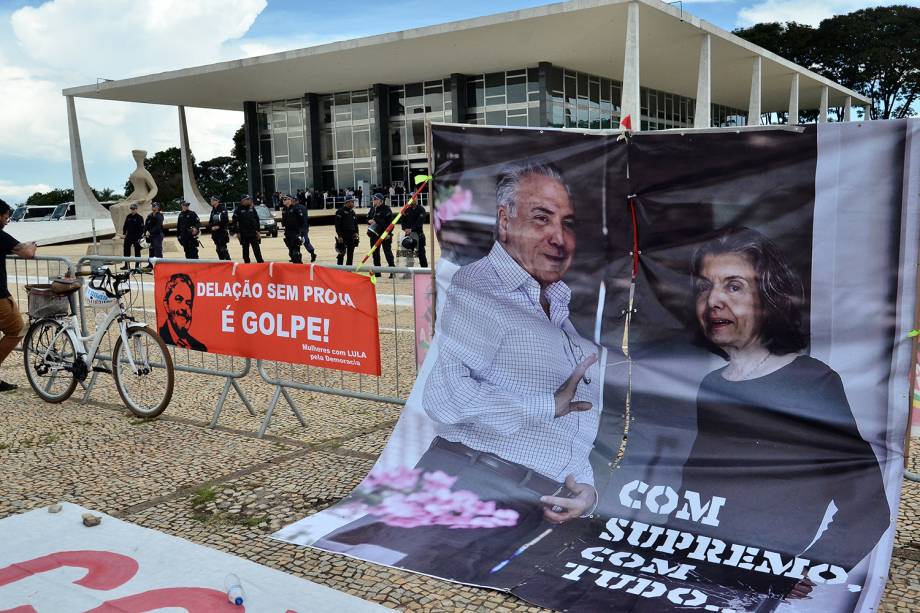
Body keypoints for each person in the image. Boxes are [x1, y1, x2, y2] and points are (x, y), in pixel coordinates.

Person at [323, 160, 601, 585]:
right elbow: (446, 397)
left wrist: (585, 485)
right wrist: (546, 405)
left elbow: (572, 415)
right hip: (468, 485)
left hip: (531, 502)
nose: (558, 239)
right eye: (541, 218)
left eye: (567, 223)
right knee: (393, 589)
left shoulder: (557, 304)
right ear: (504, 221)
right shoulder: (482, 288)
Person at [680, 226, 890, 606]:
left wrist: (811, 566)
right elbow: (699, 489)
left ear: (768, 298)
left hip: (752, 593)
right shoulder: (713, 385)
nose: (713, 301)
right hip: (694, 577)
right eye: (704, 287)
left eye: (734, 286)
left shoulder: (812, 383)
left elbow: (867, 504)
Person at [0, 199, 37, 391]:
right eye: (6, 217)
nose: (7, 221)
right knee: (16, 330)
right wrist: (33, 244)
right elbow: (27, 252)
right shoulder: (1, 236)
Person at [160, 272, 207, 351]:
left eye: (188, 303)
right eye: (179, 299)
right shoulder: (159, 339)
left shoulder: (199, 346)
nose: (184, 307)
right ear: (166, 303)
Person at [367, 193, 395, 277]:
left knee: (388, 253)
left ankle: (392, 271)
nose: (374, 201)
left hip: (385, 234)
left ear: (381, 201)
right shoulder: (372, 209)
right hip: (374, 234)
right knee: (375, 253)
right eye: (373, 199)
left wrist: (376, 221)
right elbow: (368, 217)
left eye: (375, 199)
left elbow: (389, 223)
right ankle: (377, 272)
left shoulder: (386, 209)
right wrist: (369, 221)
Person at [233, 195, 263, 264]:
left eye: (249, 199)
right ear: (243, 201)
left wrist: (258, 231)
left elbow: (257, 219)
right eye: (248, 199)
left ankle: (261, 264)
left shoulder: (252, 208)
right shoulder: (238, 209)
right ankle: (247, 265)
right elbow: (234, 222)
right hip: (244, 234)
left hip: (253, 233)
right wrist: (237, 233)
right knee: (245, 251)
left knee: (257, 250)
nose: (250, 201)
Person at [400, 196, 428, 267]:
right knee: (409, 255)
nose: (412, 200)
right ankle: (409, 272)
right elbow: (403, 221)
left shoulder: (421, 209)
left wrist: (411, 229)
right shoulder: (406, 210)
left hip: (418, 235)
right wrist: (405, 228)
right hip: (408, 235)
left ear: (417, 199)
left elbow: (420, 222)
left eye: (413, 198)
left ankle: (424, 271)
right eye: (410, 198)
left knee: (421, 254)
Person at [334, 195, 359, 266]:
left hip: (351, 236)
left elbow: (356, 224)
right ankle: (340, 269)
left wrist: (357, 233)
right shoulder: (340, 211)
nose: (353, 203)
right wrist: (339, 236)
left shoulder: (353, 212)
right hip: (343, 236)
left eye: (353, 202)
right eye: (352, 202)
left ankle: (349, 270)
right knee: (341, 253)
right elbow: (337, 225)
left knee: (350, 254)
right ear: (347, 202)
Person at [281, 194, 305, 264]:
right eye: (283, 199)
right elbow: (284, 222)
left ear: (290, 200)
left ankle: (299, 266)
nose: (284, 201)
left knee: (295, 252)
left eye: (285, 199)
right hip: (288, 232)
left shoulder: (296, 209)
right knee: (291, 252)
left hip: (295, 232)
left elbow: (302, 221)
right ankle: (295, 266)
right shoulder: (284, 210)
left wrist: (301, 233)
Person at [121, 203, 144, 270]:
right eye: (131, 209)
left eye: (134, 209)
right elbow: (125, 226)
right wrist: (124, 233)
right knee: (126, 250)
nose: (132, 210)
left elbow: (142, 229)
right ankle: (126, 265)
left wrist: (140, 238)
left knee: (137, 251)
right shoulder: (128, 216)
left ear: (136, 209)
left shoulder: (140, 217)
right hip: (129, 236)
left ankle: (137, 266)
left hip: (136, 237)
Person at [208, 196, 231, 261]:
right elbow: (210, 221)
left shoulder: (222, 209)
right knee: (218, 250)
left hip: (222, 232)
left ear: (217, 201)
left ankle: (228, 263)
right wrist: (211, 227)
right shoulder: (213, 210)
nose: (211, 201)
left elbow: (226, 220)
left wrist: (219, 226)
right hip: (215, 234)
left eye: (213, 200)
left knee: (223, 249)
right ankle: (222, 263)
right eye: (211, 200)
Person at [143, 201, 164, 268]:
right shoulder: (149, 215)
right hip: (150, 236)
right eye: (153, 206)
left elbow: (158, 226)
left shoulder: (160, 215)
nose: (153, 207)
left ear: (158, 207)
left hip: (157, 235)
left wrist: (150, 232)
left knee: (158, 250)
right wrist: (144, 233)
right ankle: (151, 265)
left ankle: (160, 265)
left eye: (155, 206)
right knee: (151, 251)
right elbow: (146, 225)